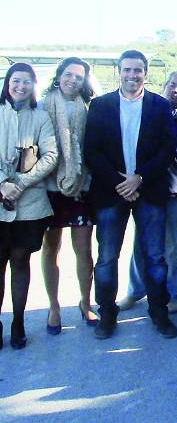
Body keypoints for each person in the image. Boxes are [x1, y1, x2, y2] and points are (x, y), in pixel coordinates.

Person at [83, 50, 177, 340]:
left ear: (145, 73)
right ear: (119, 72)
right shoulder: (100, 106)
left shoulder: (160, 106)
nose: (132, 75)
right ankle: (107, 314)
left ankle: (159, 312)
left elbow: (167, 149)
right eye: (127, 70)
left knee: (155, 257)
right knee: (107, 258)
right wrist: (121, 182)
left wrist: (140, 179)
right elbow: (92, 151)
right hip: (111, 192)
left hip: (149, 190)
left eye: (138, 70)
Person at [121, 71, 177, 314]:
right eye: (172, 85)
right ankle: (136, 291)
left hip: (174, 193)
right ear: (165, 85)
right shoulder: (148, 111)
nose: (174, 90)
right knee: (141, 243)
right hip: (145, 190)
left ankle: (172, 294)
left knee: (171, 246)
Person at [0, 63, 58, 349]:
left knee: (21, 261)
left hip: (30, 203)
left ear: (34, 86)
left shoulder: (41, 116)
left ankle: (18, 321)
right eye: (16, 80)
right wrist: (2, 183)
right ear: (7, 83)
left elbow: (51, 155)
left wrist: (20, 183)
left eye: (27, 82)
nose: (20, 86)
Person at [39, 57, 98, 334]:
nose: (73, 80)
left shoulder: (90, 107)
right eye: (69, 74)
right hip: (49, 186)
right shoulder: (43, 105)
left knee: (84, 250)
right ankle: (54, 306)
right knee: (51, 248)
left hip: (82, 185)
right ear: (59, 75)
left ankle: (86, 302)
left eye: (79, 76)